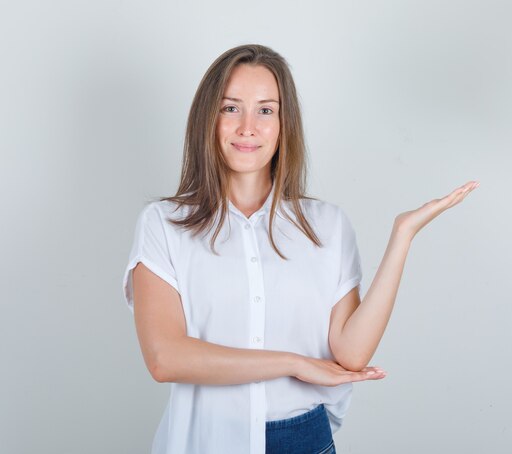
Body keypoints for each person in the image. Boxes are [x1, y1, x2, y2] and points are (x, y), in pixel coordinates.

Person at [122, 43, 479, 454]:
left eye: (266, 110)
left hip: (303, 439)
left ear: (284, 122)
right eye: (231, 108)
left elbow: (350, 353)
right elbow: (165, 358)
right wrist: (293, 363)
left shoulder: (326, 225)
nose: (248, 127)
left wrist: (402, 236)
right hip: (208, 438)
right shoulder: (164, 224)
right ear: (208, 118)